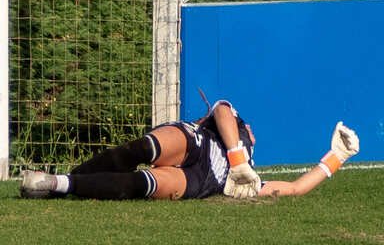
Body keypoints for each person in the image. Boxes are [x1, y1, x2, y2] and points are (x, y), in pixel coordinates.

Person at [20, 100, 360, 201]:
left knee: (143, 185)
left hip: (201, 180)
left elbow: (296, 188)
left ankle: (58, 185)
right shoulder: (233, 128)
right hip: (196, 142)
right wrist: (237, 155)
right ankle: (59, 182)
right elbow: (221, 108)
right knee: (140, 148)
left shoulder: (249, 176)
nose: (255, 133)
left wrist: (336, 157)